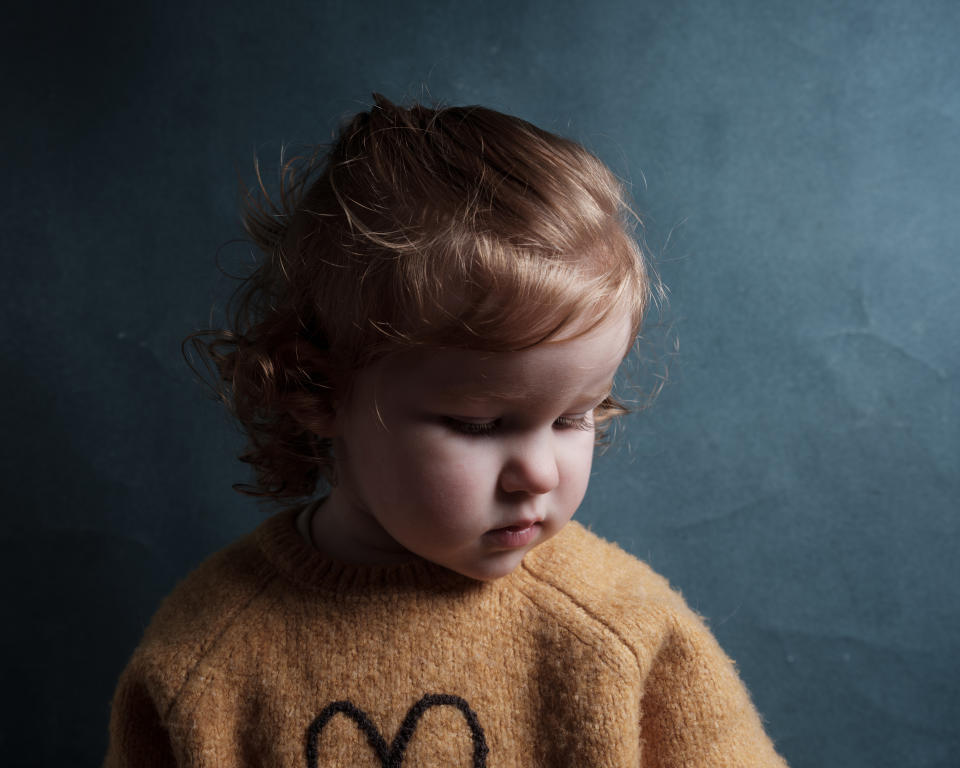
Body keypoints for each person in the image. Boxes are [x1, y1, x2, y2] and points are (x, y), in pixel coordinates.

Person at [104, 94, 788, 766]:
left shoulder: (621, 630)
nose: (541, 474)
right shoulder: (205, 661)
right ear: (318, 390)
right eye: (481, 424)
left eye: (576, 417)